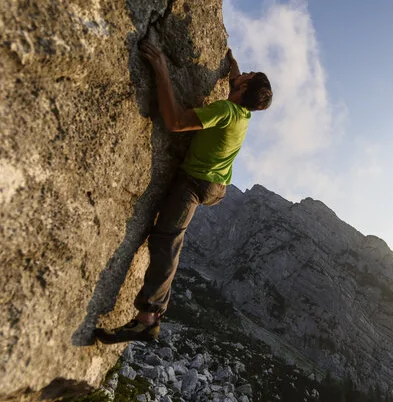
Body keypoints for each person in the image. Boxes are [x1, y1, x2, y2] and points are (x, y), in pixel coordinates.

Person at [94, 40, 272, 344]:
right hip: (216, 186)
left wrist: (162, 69)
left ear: (244, 88)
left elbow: (176, 122)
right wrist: (232, 63)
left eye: (246, 75)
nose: (242, 74)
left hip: (196, 183)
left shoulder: (227, 110)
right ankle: (149, 313)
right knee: (168, 237)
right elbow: (238, 82)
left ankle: (148, 317)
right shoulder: (244, 113)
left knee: (166, 240)